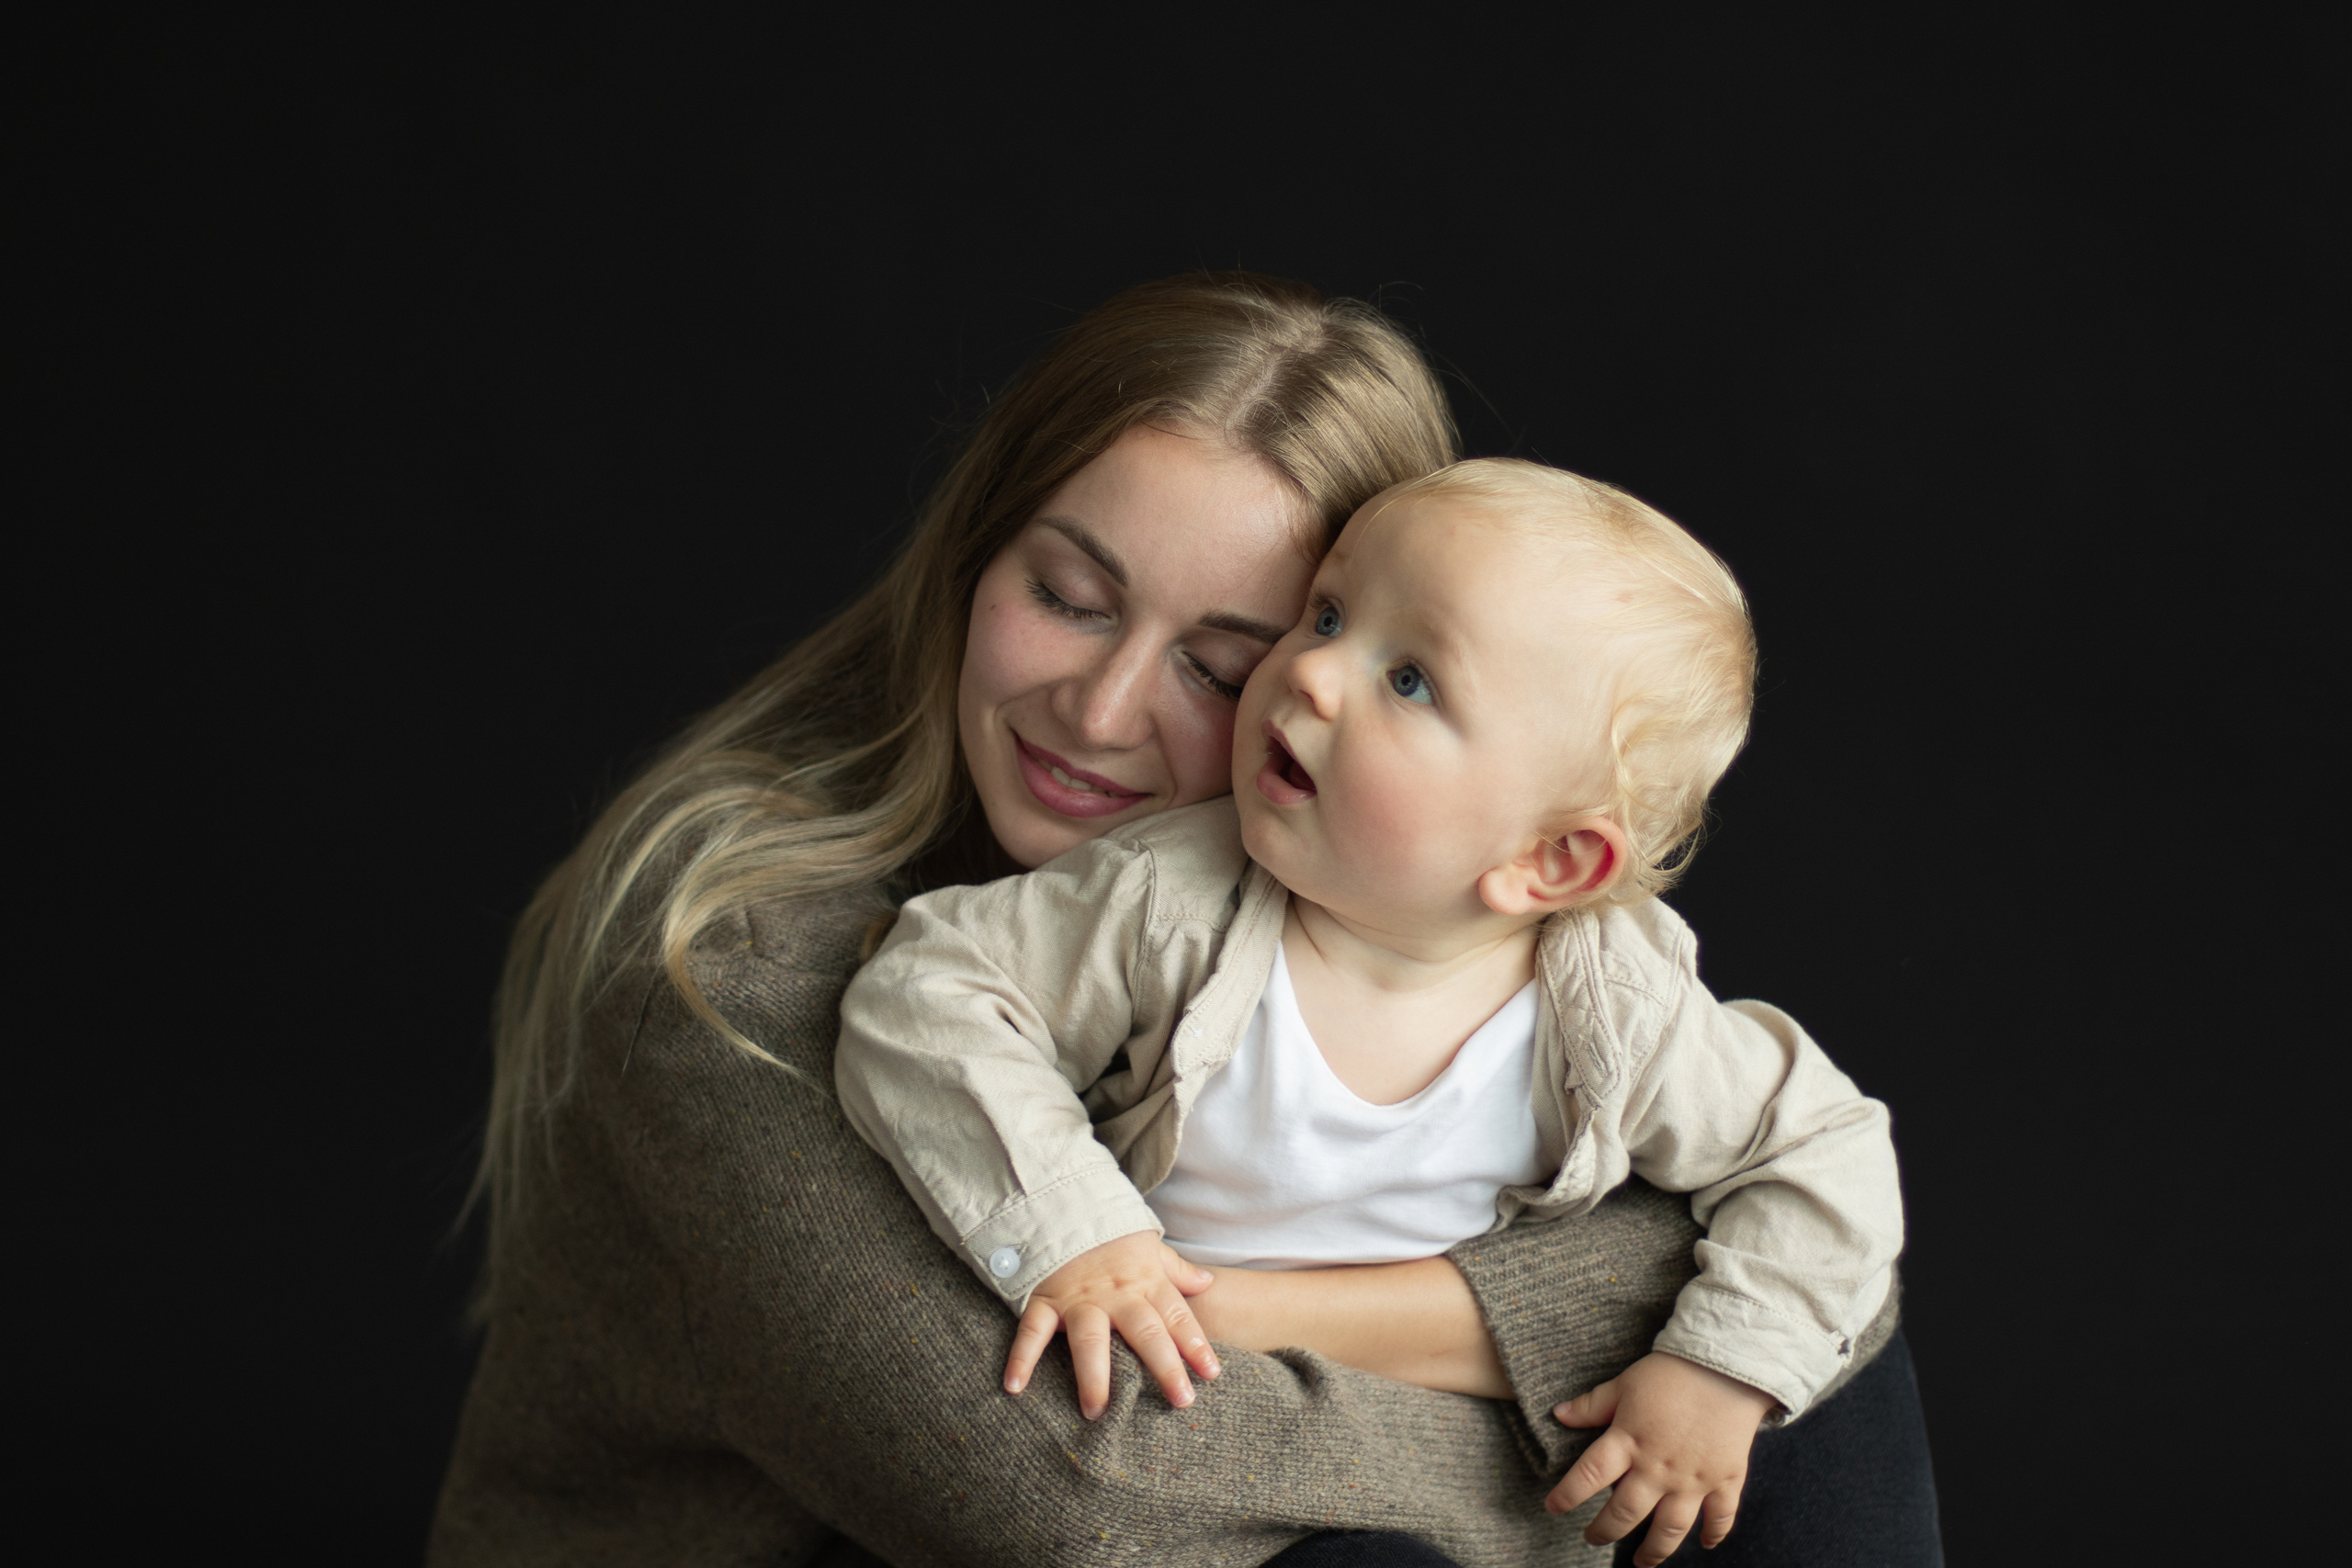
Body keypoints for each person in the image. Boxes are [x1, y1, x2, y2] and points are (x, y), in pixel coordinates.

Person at [430, 273, 1939, 1567]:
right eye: (1070, 594)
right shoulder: (735, 955)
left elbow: (1810, 1201)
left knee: (1807, 1351)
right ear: (977, 554)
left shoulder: (1440, 951)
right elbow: (1064, 1493)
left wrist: (1697, 1375)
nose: (1095, 709)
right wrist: (1602, 1444)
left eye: (1225, 662)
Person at [835, 458, 1904, 1565]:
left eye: (1409, 680)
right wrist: (1079, 1235)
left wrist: (1716, 1370)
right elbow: (929, 993)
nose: (1310, 675)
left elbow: (1825, 1148)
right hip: (1195, 1465)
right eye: (1327, 615)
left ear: (1550, 860)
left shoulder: (1614, 1008)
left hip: (1450, 1480)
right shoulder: (1171, 901)